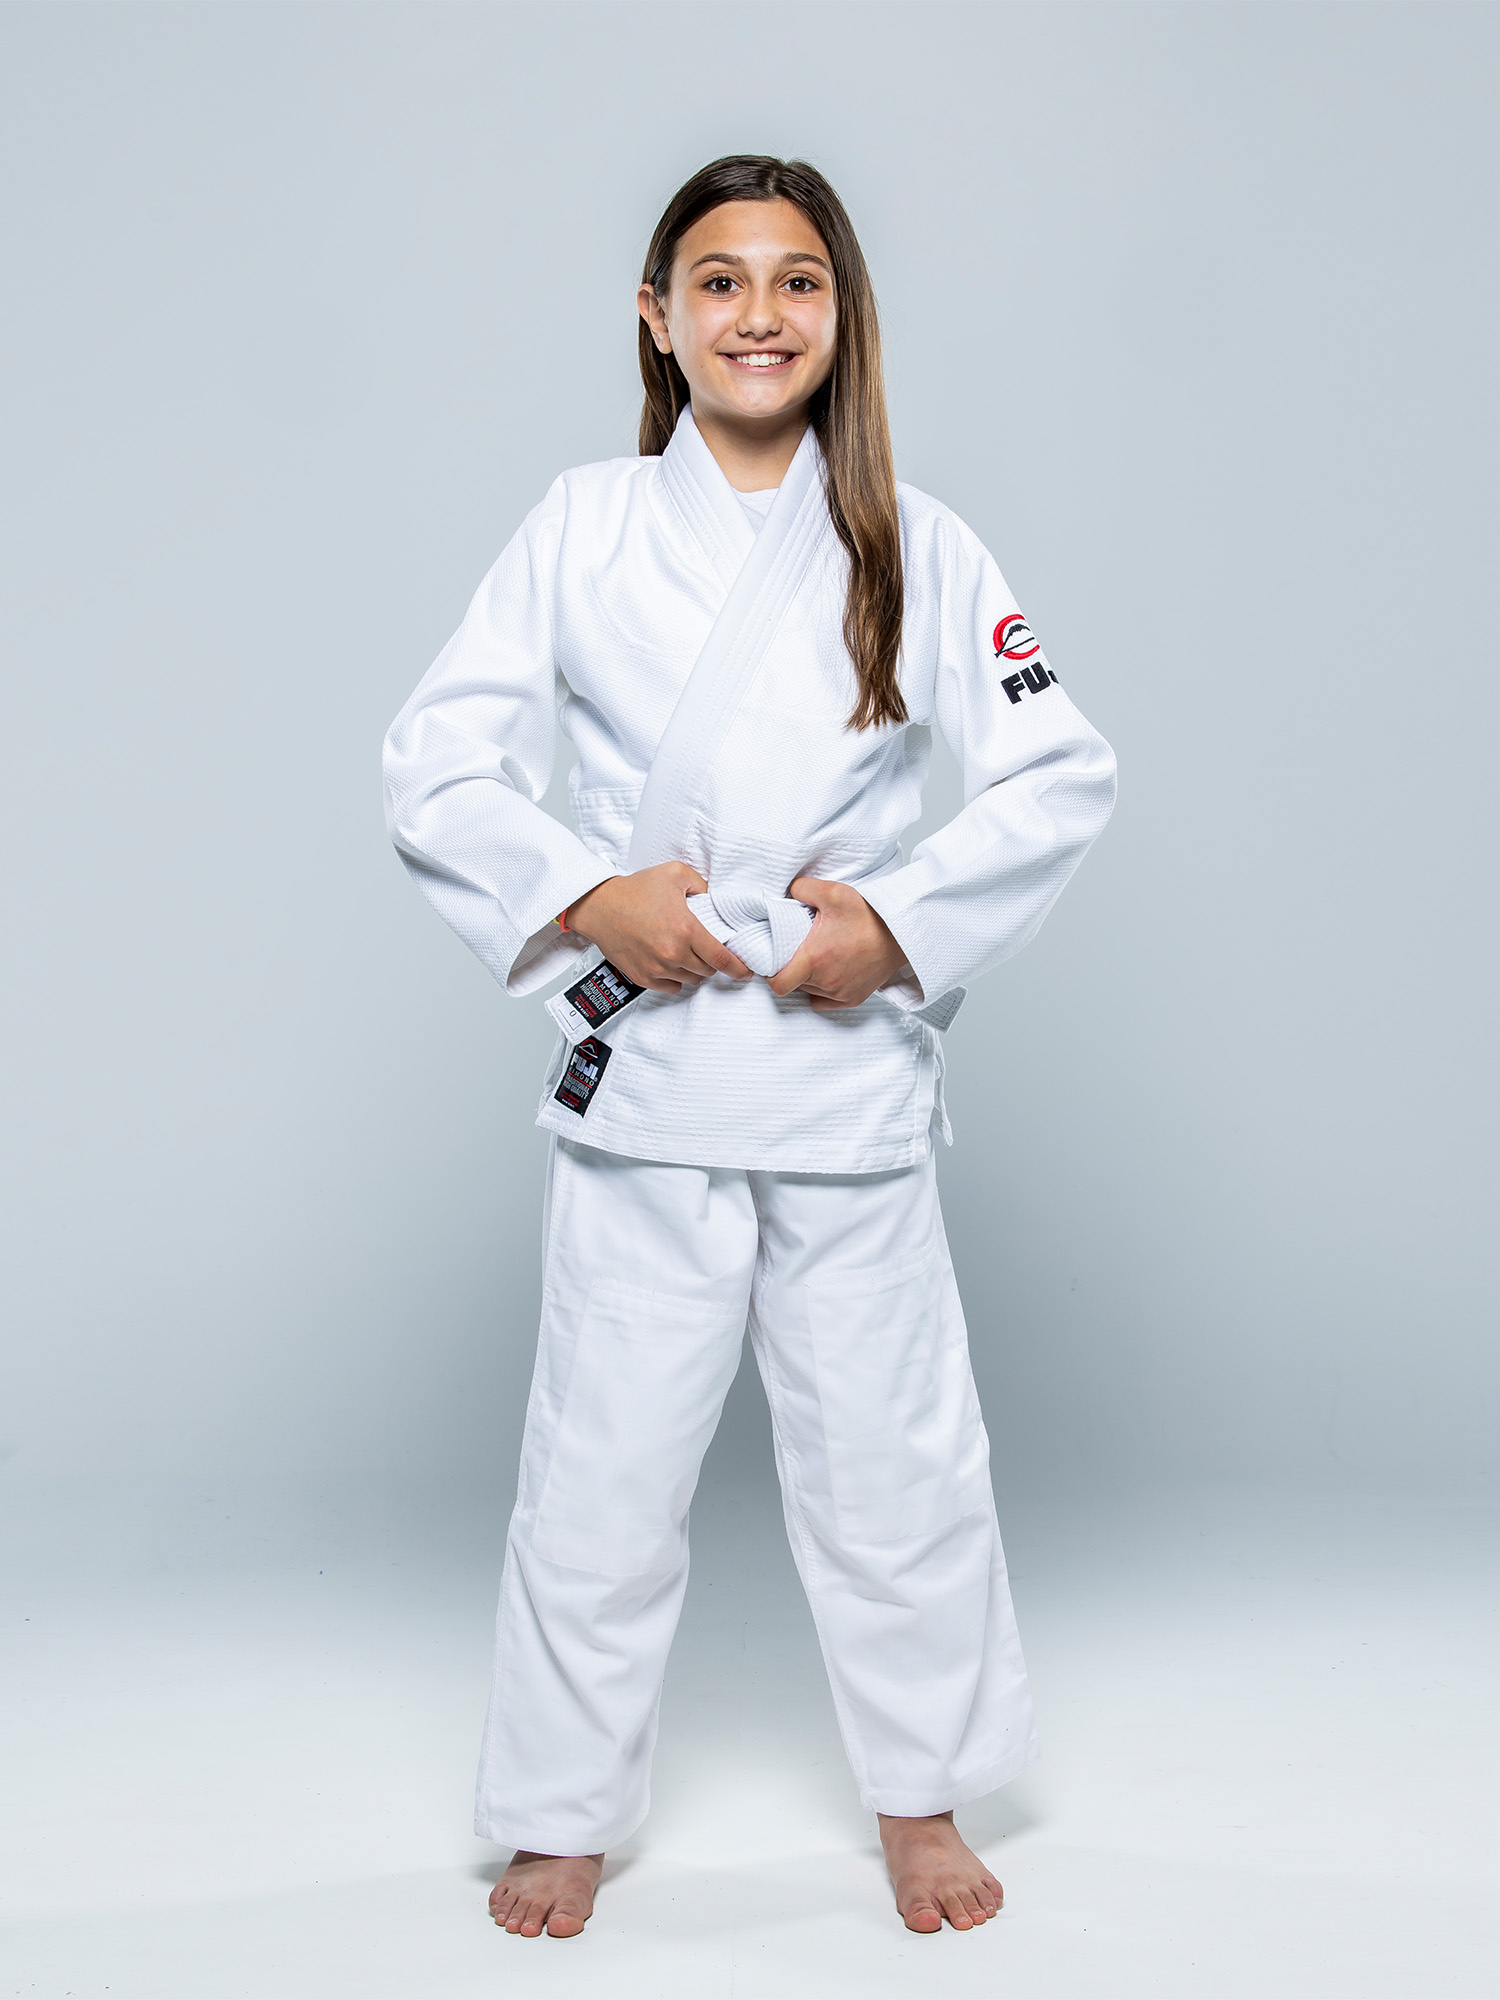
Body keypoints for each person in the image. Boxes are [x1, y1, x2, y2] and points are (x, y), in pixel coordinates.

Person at [381, 154, 1117, 1940]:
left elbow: (1060, 770)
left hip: (838, 1067)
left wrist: (900, 926)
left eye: (797, 281)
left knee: (896, 1462)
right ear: (657, 318)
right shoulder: (581, 523)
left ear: (842, 317)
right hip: (656, 1075)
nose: (759, 314)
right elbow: (437, 760)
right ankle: (562, 1811)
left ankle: (919, 1798)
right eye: (718, 281)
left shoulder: (913, 538)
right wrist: (584, 894)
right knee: (602, 1470)